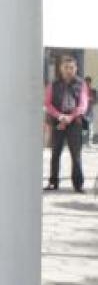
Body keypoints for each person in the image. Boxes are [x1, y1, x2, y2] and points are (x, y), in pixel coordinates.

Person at [44, 55, 89, 192]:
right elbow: (47, 103)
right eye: (66, 67)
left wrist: (70, 117)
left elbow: (83, 104)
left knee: (76, 155)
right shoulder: (53, 84)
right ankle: (53, 182)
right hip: (58, 121)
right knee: (55, 153)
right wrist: (60, 116)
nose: (68, 70)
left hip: (74, 122)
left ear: (76, 68)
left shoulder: (81, 84)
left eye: (71, 67)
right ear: (61, 68)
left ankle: (78, 185)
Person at [84, 75, 96, 147]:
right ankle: (84, 142)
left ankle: (89, 142)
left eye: (88, 82)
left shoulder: (93, 91)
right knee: (84, 127)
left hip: (90, 110)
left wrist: (91, 99)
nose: (87, 83)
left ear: (90, 83)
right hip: (83, 111)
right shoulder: (81, 91)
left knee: (90, 127)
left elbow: (95, 100)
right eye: (86, 82)